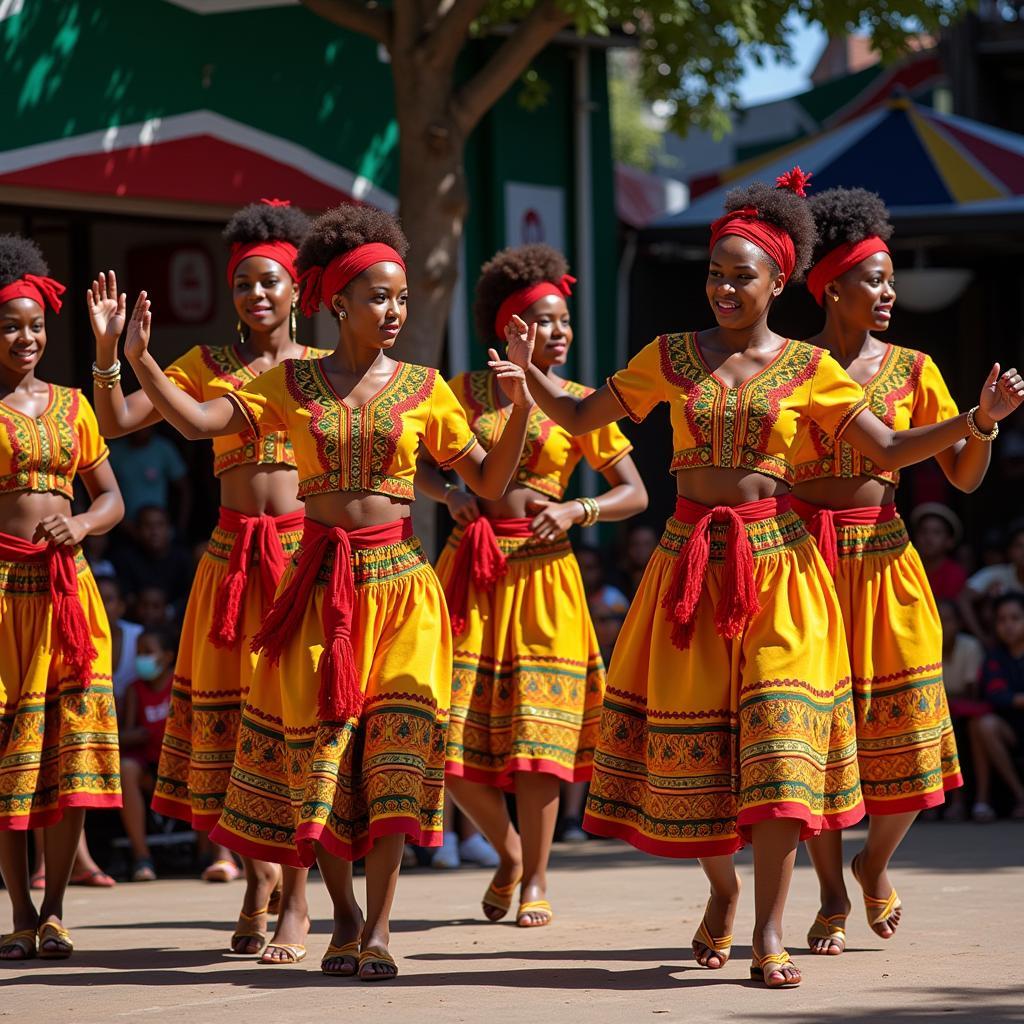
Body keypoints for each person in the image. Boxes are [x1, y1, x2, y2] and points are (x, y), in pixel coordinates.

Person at [503, 169, 1024, 988]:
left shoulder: (812, 371)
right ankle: (720, 891)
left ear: (779, 281)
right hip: (689, 568)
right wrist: (530, 378)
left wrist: (978, 421)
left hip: (783, 568)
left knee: (783, 745)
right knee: (704, 757)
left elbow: (888, 453)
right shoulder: (668, 357)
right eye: (714, 272)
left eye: (740, 275)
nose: (722, 287)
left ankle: (769, 931)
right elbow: (577, 419)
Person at [121, 203, 533, 981]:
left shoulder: (425, 386)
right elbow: (203, 420)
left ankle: (376, 928)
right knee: (324, 766)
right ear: (337, 301)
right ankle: (339, 914)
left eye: (402, 298)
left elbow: (486, 478)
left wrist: (516, 409)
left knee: (395, 761)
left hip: (402, 589)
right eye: (379, 296)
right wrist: (141, 362)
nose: (394, 311)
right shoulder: (291, 380)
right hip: (316, 586)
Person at [87, 199, 327, 958]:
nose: (257, 296)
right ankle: (255, 875)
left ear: (297, 291)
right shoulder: (205, 365)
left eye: (271, 283)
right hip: (228, 562)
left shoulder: (325, 370)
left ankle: (295, 899)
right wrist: (108, 355)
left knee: (295, 726)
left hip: (299, 560)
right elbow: (119, 419)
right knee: (228, 732)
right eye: (245, 285)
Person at [792, 187, 1022, 956]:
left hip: (886, 560)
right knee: (817, 738)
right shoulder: (788, 367)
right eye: (874, 278)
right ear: (829, 286)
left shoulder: (915, 368)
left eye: (891, 280)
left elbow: (963, 477)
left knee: (916, 729)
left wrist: (982, 422)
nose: (888, 293)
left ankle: (873, 861)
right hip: (802, 565)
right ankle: (828, 894)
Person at [418, 243, 647, 928]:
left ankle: (537, 878)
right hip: (470, 572)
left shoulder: (578, 402)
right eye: (543, 321)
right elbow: (406, 463)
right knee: (440, 732)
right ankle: (509, 853)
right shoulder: (457, 392)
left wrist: (581, 509)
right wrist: (448, 492)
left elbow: (634, 492)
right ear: (508, 328)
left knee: (537, 743)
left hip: (546, 580)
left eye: (564, 321)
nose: (560, 333)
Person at [0, 235, 124, 961]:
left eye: (35, 326)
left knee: (70, 753)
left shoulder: (75, 405)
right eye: (11, 326)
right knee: (10, 757)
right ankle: (16, 909)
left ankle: (53, 909)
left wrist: (77, 522)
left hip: (68, 595)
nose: (26, 338)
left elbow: (110, 497)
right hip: (4, 596)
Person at [117, 627, 176, 881]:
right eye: (138, 652)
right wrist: (137, 734)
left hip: (179, 767)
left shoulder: (179, 683)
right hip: (148, 768)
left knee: (202, 765)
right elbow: (126, 735)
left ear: (167, 656)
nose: (142, 658)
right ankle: (142, 857)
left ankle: (211, 854)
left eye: (148, 652)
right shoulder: (134, 690)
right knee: (126, 769)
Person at [971, 592, 1024, 821]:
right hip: (1011, 729)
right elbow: (995, 696)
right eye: (1002, 620)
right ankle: (1020, 796)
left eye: (1015, 618)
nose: (1008, 626)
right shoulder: (994, 657)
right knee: (983, 725)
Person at [938, 599, 986, 822]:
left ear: (958, 623)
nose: (942, 624)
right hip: (937, 713)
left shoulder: (970, 647)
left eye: (947, 619)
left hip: (961, 715)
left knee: (955, 730)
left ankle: (968, 801)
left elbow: (971, 693)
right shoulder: (924, 646)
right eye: (938, 618)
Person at [112, 505, 194, 614]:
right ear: (137, 530)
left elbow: (189, 596)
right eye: (148, 525)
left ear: (169, 530)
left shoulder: (183, 558)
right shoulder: (124, 558)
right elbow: (125, 596)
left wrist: (169, 611)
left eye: (160, 525)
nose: (154, 531)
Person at [108, 425, 191, 531]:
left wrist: (181, 525)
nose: (140, 428)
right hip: (123, 526)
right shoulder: (114, 452)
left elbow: (185, 488)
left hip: (159, 528)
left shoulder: (164, 449)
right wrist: (122, 523)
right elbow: (104, 491)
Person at [97, 574, 145, 701]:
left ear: (121, 607)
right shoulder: (77, 642)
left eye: (108, 600)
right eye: (96, 598)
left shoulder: (139, 636)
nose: (100, 606)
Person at [910, 503, 968, 601]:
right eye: (923, 531)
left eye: (936, 532)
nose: (928, 538)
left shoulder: (955, 574)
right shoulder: (907, 570)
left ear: (950, 541)